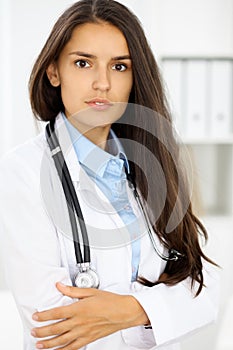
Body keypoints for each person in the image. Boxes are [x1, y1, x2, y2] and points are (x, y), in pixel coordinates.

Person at [0, 0, 219, 349]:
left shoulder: (157, 163)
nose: (102, 83)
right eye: (83, 63)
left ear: (135, 77)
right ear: (54, 72)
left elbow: (204, 291)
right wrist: (156, 311)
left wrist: (125, 310)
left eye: (119, 66)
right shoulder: (22, 171)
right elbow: (52, 322)